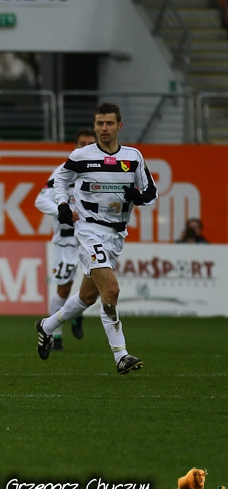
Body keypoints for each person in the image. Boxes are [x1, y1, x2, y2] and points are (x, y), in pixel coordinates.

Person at [35, 102, 157, 375]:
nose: (104, 128)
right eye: (100, 123)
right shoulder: (81, 156)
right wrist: (62, 205)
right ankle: (121, 355)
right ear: (95, 126)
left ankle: (47, 325)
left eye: (109, 123)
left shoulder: (133, 157)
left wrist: (139, 197)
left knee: (87, 296)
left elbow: (151, 192)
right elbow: (60, 180)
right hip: (89, 230)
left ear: (119, 126)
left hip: (116, 234)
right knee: (110, 290)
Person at [34, 128, 96, 350]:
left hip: (94, 237)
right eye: (81, 144)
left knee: (99, 285)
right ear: (75, 146)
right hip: (67, 240)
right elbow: (40, 201)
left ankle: (76, 313)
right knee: (64, 287)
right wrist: (65, 212)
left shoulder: (104, 172)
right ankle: (55, 334)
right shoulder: (63, 171)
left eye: (90, 144)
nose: (85, 148)